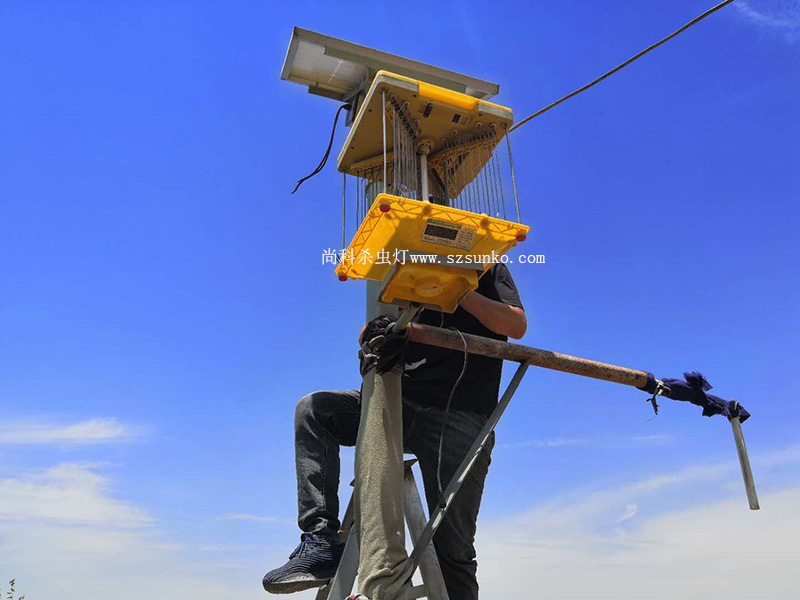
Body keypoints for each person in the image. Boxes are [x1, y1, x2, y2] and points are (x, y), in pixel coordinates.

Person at [263, 263, 526, 600]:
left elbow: (515, 324)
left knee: (453, 550)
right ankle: (320, 541)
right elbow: (382, 323)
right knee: (315, 410)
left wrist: (456, 292)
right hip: (399, 404)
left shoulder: (485, 266)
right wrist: (376, 333)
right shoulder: (402, 270)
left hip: (460, 415)